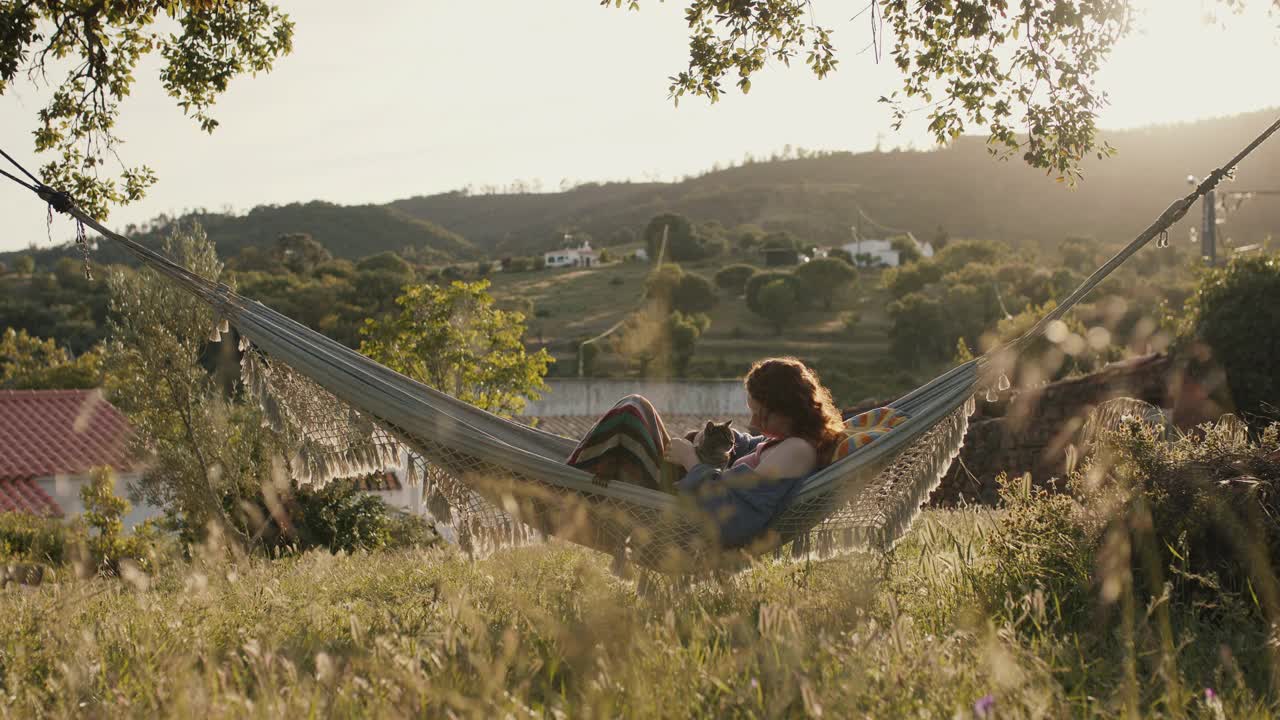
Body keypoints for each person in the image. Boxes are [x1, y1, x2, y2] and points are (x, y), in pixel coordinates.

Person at [566, 357, 846, 547]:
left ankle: (565, 487)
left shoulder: (796, 451)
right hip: (683, 499)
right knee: (635, 410)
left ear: (790, 409)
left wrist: (690, 459)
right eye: (752, 413)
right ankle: (572, 480)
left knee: (632, 411)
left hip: (682, 517)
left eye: (763, 416)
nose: (754, 423)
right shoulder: (788, 441)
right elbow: (751, 449)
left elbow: (735, 517)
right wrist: (713, 437)